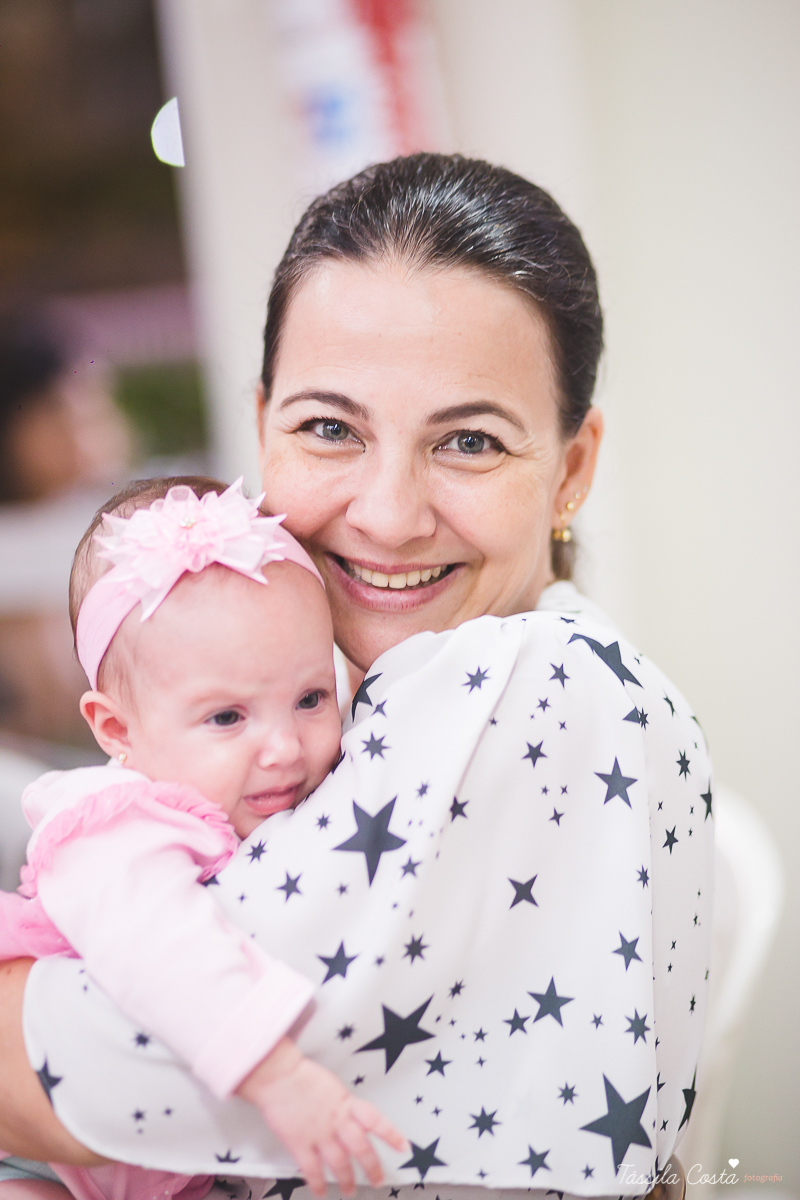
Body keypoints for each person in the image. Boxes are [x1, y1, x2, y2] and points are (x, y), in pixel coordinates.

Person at [0, 154, 713, 1200]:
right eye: (329, 429)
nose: (386, 514)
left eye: (468, 441)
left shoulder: (535, 687)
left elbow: (85, 1065)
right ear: (262, 427)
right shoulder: (395, 696)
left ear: (569, 469)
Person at [0, 475, 407, 1200]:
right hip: (35, 1157)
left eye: (311, 698)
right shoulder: (112, 828)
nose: (284, 747)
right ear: (116, 729)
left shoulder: (286, 797)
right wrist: (279, 1078)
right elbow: (165, 949)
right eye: (226, 718)